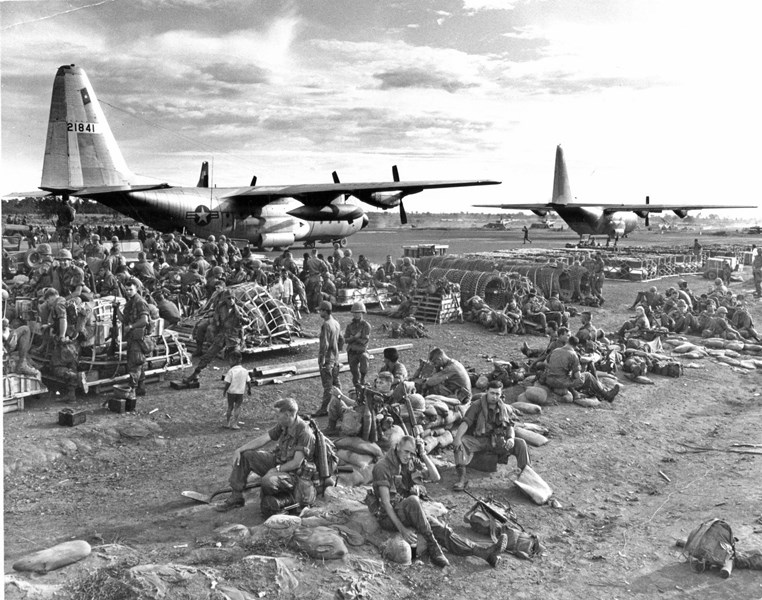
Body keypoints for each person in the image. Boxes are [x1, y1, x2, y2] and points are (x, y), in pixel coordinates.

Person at [367, 435, 507, 569]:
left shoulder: (409, 462)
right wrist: (402, 530)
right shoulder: (382, 466)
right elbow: (386, 503)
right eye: (405, 452)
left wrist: (423, 455)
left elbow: (436, 477)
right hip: (388, 517)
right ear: (397, 447)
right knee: (413, 501)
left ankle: (484, 553)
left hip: (407, 511)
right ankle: (433, 545)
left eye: (411, 453)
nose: (408, 456)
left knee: (442, 529)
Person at [216, 397, 315, 512]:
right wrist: (240, 449)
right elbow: (264, 438)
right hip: (278, 462)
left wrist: (277, 469)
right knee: (246, 455)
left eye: (277, 415)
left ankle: (281, 499)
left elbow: (296, 463)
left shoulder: (304, 433)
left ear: (287, 415)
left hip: (293, 474)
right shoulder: (285, 424)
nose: (275, 418)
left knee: (268, 481)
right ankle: (236, 497)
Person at [451, 380, 530, 491]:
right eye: (492, 393)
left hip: (497, 441)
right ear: (486, 391)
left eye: (497, 394)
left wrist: (511, 438)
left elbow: (510, 425)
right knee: (462, 442)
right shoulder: (477, 405)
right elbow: (466, 422)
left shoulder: (504, 408)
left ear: (501, 394)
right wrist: (457, 438)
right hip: (478, 441)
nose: (494, 396)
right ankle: (461, 479)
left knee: (520, 443)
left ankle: (526, 478)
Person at [184, 281, 242, 382]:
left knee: (236, 357)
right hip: (222, 336)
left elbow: (247, 321)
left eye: (233, 298)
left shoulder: (239, 310)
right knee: (209, 355)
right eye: (229, 298)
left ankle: (236, 377)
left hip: (233, 337)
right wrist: (216, 323)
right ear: (225, 299)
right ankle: (196, 373)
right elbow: (216, 321)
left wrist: (241, 318)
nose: (231, 300)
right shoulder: (220, 309)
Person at [544, 331, 620, 403]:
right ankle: (606, 395)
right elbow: (577, 376)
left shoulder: (556, 350)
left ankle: (600, 392)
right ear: (575, 346)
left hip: (549, 379)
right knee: (588, 376)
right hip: (560, 382)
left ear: (568, 342)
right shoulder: (573, 355)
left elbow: (545, 363)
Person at [116, 278, 151, 399]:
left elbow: (144, 321)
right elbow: (124, 320)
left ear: (137, 289)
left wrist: (131, 326)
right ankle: (141, 387)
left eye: (131, 289)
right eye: (126, 290)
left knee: (134, 364)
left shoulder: (139, 302)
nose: (128, 292)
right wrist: (116, 310)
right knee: (138, 362)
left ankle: (132, 391)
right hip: (132, 337)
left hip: (139, 338)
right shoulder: (130, 302)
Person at [312, 300, 342, 417]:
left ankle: (324, 409)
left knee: (328, 386)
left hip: (328, 360)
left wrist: (321, 359)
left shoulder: (326, 325)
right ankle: (341, 405)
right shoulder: (336, 323)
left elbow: (324, 344)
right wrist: (337, 352)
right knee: (336, 384)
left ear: (325, 311)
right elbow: (341, 339)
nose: (319, 312)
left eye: (320, 310)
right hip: (335, 359)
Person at [345, 301, 371, 394]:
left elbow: (364, 341)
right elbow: (346, 339)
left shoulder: (366, 326)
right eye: (354, 312)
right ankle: (357, 389)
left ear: (362, 313)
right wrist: (355, 337)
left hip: (361, 351)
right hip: (352, 351)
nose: (356, 315)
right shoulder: (350, 325)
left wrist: (353, 338)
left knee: (364, 360)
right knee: (354, 374)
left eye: (358, 312)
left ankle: (363, 380)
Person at [222, 350, 251, 429]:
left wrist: (225, 391)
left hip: (231, 392)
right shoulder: (245, 371)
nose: (229, 362)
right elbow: (248, 381)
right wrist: (249, 389)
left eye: (230, 360)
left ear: (234, 360)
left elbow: (228, 383)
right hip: (240, 392)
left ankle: (228, 423)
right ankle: (235, 424)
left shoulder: (231, 371)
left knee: (230, 407)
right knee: (237, 407)